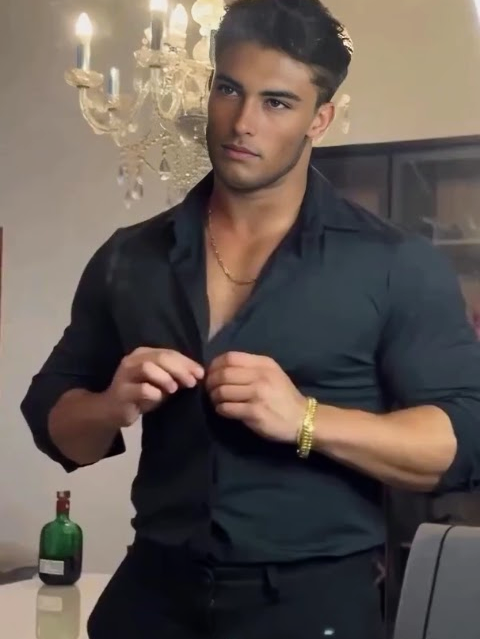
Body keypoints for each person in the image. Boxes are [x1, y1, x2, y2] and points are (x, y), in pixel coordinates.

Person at [21, 0, 480, 637]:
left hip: (312, 606)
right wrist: (108, 405)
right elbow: (56, 426)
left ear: (320, 119)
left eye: (277, 102)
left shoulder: (395, 263)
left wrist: (307, 420)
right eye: (229, 90)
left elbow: (461, 440)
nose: (242, 122)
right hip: (151, 595)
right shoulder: (131, 255)